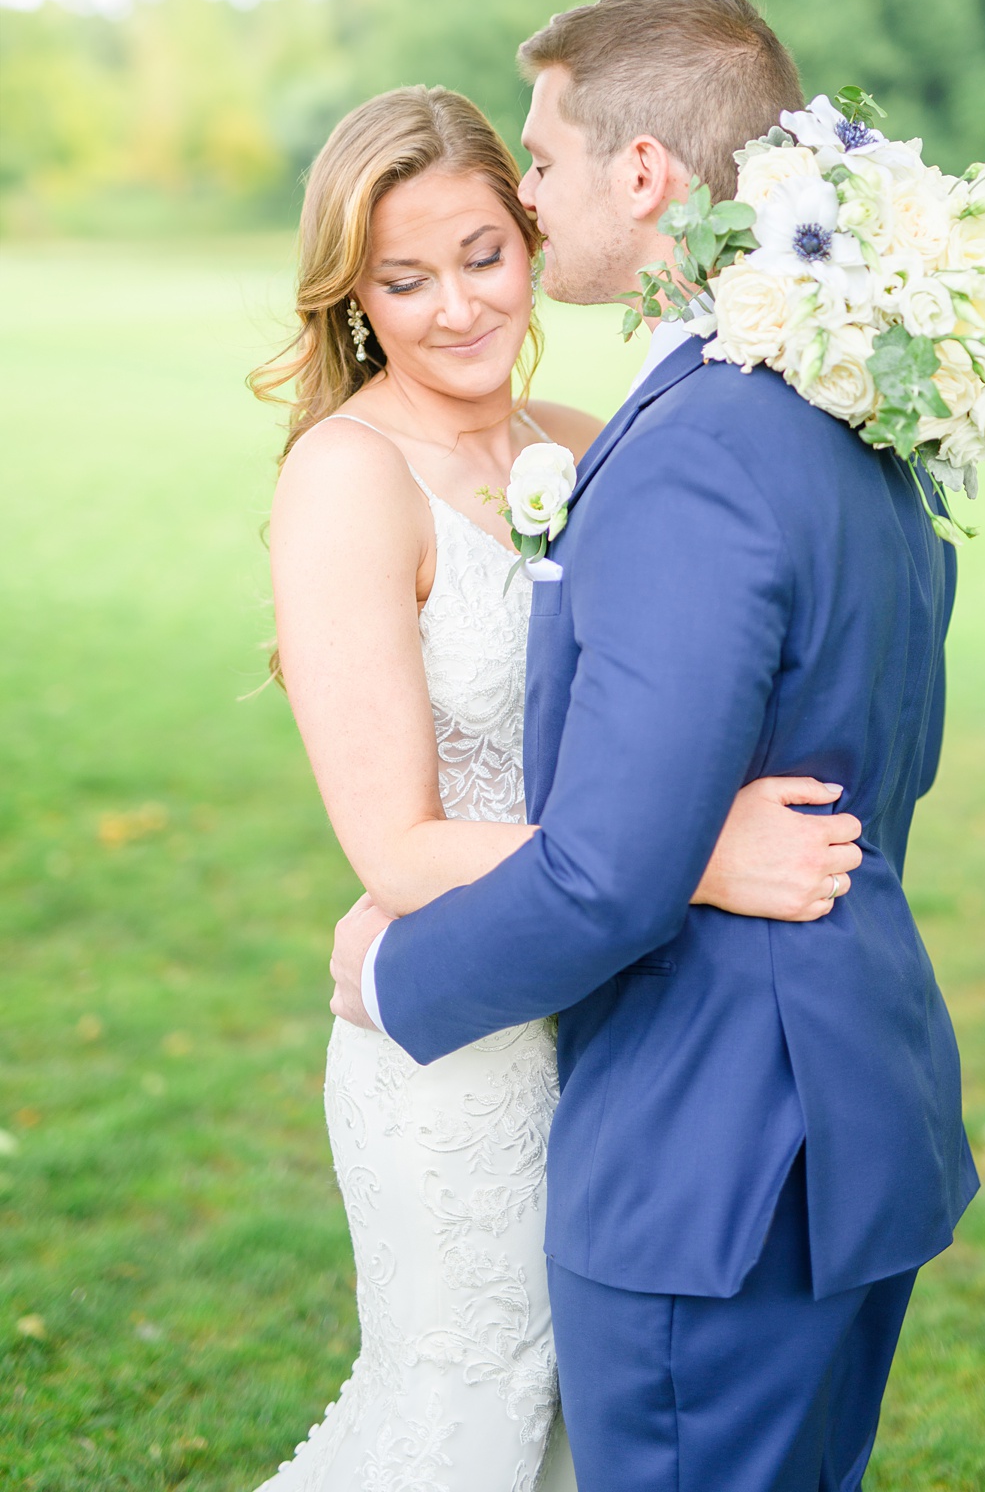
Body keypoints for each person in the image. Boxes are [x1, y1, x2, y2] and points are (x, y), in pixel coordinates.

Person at [325, 0, 977, 1492]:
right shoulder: (845, 413)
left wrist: (393, 969)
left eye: (541, 167)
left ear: (643, 176)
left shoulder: (695, 454)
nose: (532, 204)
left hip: (715, 1155)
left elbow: (615, 877)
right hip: (843, 1106)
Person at [252, 83, 861, 1489]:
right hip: (462, 1044)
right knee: (473, 1417)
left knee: (602, 1426)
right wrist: (693, 860)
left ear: (533, 241)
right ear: (354, 297)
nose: (457, 307)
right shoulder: (348, 480)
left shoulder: (587, 442)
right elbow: (398, 849)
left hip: (615, 1025)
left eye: (483, 255)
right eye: (404, 280)